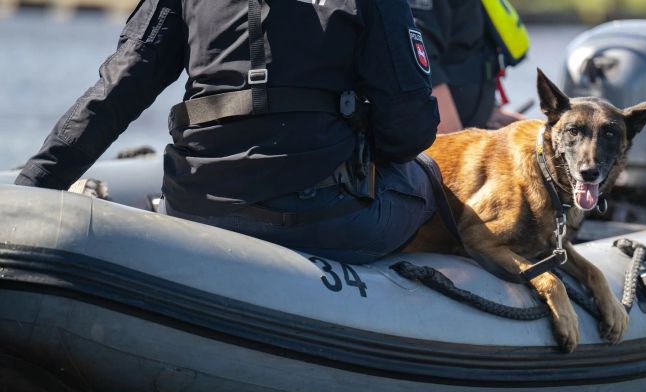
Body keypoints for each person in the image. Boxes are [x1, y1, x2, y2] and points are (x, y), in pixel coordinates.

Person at [14, 0, 440, 264]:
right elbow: (409, 129)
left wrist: (29, 191)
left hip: (195, 207)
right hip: (321, 219)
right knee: (427, 180)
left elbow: (115, 93)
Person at [408, 0, 527, 133]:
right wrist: (454, 141)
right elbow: (419, 58)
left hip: (478, 127)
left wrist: (494, 115)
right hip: (448, 141)